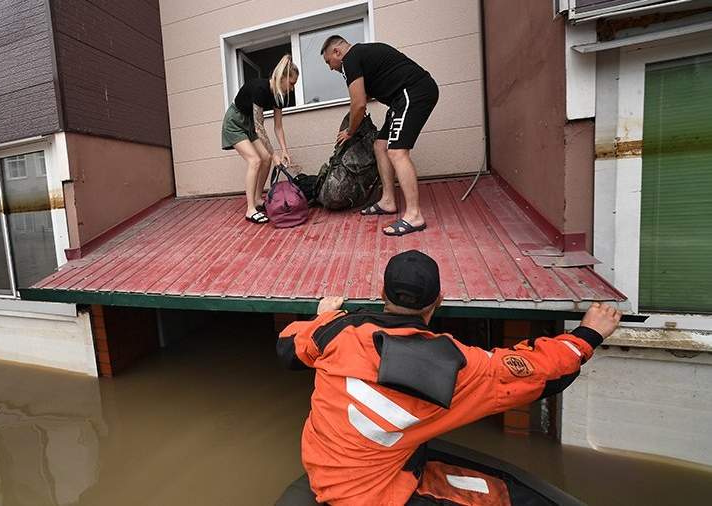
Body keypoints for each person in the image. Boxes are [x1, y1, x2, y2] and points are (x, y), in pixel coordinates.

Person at [276, 250, 622, 505]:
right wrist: (587, 335)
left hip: (325, 469)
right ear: (438, 301)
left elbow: (288, 349)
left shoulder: (336, 330)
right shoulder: (460, 367)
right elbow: (538, 374)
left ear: (383, 296)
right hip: (373, 495)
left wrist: (325, 315)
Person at [321, 37, 439, 236]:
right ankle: (388, 200)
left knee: (397, 152)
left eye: (328, 62)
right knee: (380, 145)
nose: (330, 68)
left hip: (413, 92)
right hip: (400, 99)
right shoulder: (361, 57)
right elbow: (365, 95)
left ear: (337, 52)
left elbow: (358, 104)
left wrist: (350, 132)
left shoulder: (351, 60)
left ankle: (414, 215)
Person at [221, 55, 298, 224]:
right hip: (235, 122)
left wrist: (284, 151)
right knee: (255, 160)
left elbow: (278, 126)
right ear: (282, 78)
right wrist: (274, 153)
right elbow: (259, 127)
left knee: (266, 158)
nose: (292, 88)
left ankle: (257, 199)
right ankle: (250, 209)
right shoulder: (260, 88)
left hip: (250, 123)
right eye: (291, 83)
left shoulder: (280, 97)